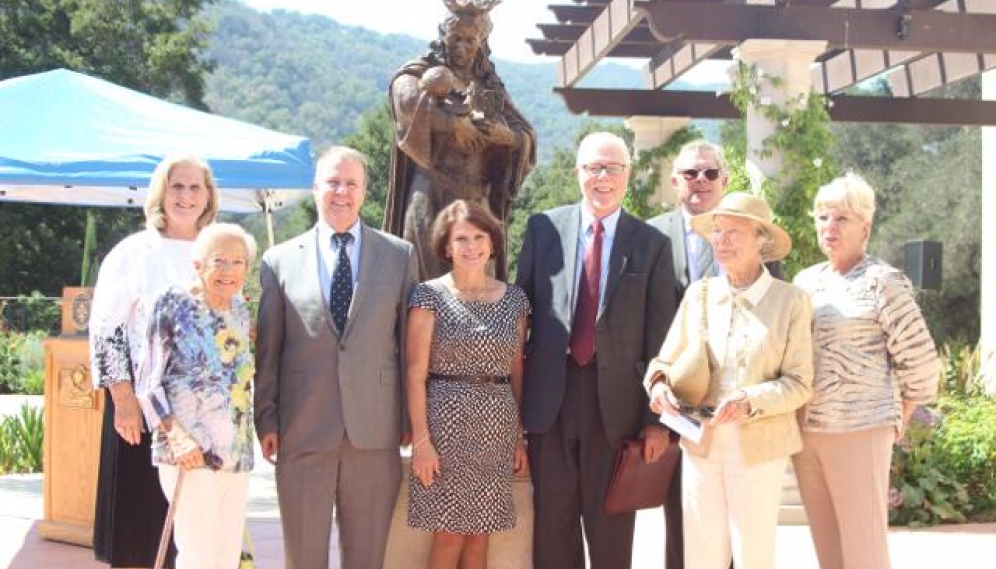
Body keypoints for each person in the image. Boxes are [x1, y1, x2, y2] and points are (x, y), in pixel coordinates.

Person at [516, 131, 679, 569]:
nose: (602, 177)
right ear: (577, 173)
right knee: (552, 531)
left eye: (612, 168)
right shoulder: (543, 229)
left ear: (627, 175)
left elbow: (661, 342)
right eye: (593, 167)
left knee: (611, 537)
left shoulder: (652, 244)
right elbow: (520, 320)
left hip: (619, 412)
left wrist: (654, 423)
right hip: (551, 401)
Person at [254, 146, 418, 569]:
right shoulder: (278, 261)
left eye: (351, 183)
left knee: (366, 558)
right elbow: (268, 349)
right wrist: (266, 417)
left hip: (375, 433)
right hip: (302, 430)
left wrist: (408, 422)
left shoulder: (399, 255)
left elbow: (409, 348)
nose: (341, 191)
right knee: (304, 557)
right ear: (315, 188)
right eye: (332, 181)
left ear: (365, 192)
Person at [645, 192, 813, 569]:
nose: (721, 240)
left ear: (761, 240)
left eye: (734, 231)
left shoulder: (791, 301)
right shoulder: (699, 295)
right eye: (717, 231)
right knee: (701, 557)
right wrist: (658, 387)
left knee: (753, 555)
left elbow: (800, 383)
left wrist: (749, 400)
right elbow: (663, 361)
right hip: (700, 444)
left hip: (758, 448)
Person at [792, 172, 940, 569]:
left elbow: (922, 360)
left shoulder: (883, 282)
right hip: (808, 434)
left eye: (841, 218)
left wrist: (898, 417)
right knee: (828, 550)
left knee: (864, 550)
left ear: (865, 226)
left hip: (861, 431)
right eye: (822, 217)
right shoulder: (804, 282)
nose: (829, 227)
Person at [89, 154, 219, 569]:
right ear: (160, 194)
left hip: (201, 412)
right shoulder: (134, 252)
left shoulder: (218, 249)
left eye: (194, 187)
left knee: (193, 531)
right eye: (176, 187)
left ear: (209, 196)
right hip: (141, 409)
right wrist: (123, 401)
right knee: (138, 529)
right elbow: (106, 329)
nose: (185, 196)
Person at [405, 199, 530, 569]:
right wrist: (422, 441)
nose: (471, 246)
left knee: (481, 535)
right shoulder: (429, 296)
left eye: (479, 236)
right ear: (447, 246)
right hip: (446, 428)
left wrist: (518, 435)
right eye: (461, 238)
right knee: (448, 535)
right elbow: (414, 373)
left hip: (497, 427)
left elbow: (517, 368)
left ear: (492, 243)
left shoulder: (515, 299)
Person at [135, 223, 257, 569]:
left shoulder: (240, 311)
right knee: (199, 555)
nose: (229, 271)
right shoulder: (173, 305)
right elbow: (147, 384)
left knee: (227, 556)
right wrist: (176, 436)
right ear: (198, 265)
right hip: (190, 453)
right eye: (219, 260)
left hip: (236, 453)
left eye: (238, 262)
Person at [386, 0, 536, 281]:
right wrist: (453, 124)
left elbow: (525, 135)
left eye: (470, 40)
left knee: (478, 289)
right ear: (443, 35)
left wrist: (506, 137)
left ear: (482, 41)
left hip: (476, 199)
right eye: (455, 38)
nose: (462, 47)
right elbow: (405, 100)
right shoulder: (420, 72)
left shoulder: (490, 86)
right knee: (423, 285)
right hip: (431, 192)